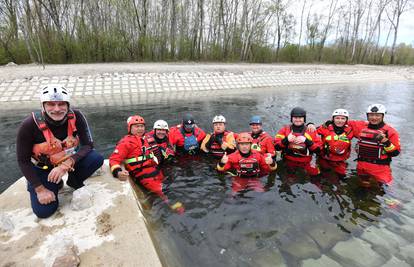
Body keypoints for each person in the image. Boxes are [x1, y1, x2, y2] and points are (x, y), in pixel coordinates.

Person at [16, 85, 104, 218]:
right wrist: (39, 189)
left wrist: (66, 165)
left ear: (68, 105)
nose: (57, 109)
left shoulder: (77, 116)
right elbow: (23, 161)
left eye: (61, 104)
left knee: (96, 158)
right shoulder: (28, 125)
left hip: (66, 162)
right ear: (43, 106)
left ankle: (74, 181)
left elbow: (88, 145)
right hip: (43, 168)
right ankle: (54, 184)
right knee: (44, 211)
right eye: (51, 104)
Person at [109, 115, 184, 213]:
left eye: (142, 126)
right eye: (136, 126)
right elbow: (113, 160)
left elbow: (162, 131)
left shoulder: (146, 139)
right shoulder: (126, 142)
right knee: (163, 192)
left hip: (155, 170)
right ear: (130, 128)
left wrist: (180, 126)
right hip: (144, 175)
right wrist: (118, 172)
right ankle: (179, 211)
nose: (140, 129)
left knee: (170, 185)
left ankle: (177, 204)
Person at [348, 104, 401, 185]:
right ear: (367, 116)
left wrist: (386, 142)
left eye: (377, 115)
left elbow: (395, 153)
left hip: (380, 169)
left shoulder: (390, 131)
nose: (374, 118)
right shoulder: (361, 126)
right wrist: (329, 123)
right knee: (362, 190)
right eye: (371, 115)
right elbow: (342, 122)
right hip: (362, 167)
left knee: (385, 192)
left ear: (383, 116)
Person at [275, 107, 322, 177]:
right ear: (291, 119)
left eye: (300, 118)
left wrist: (306, 141)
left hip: (306, 161)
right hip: (288, 160)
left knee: (316, 177)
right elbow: (276, 147)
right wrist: (286, 140)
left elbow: (319, 150)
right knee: (285, 179)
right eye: (295, 117)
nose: (298, 120)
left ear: (304, 119)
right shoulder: (285, 129)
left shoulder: (310, 130)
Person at [317, 109, 353, 179]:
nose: (340, 121)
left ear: (346, 120)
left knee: (341, 177)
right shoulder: (325, 128)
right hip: (325, 159)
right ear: (333, 119)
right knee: (323, 175)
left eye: (343, 118)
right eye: (337, 118)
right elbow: (312, 132)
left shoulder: (350, 130)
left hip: (340, 160)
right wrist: (310, 124)